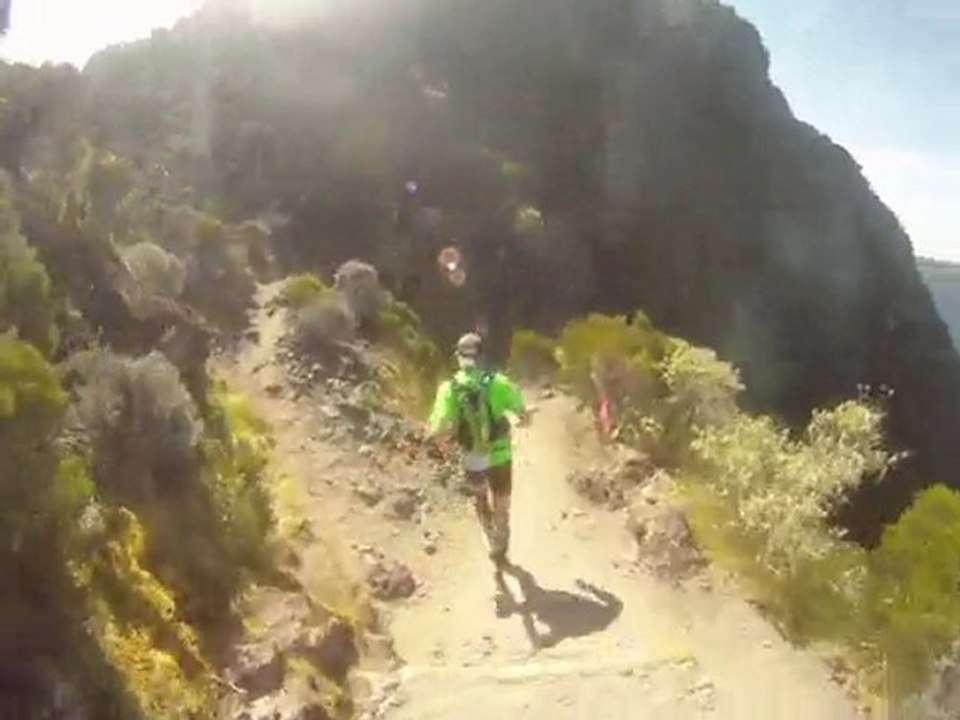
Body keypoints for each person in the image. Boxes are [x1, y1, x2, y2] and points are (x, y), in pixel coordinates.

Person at [427, 332, 530, 568]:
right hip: (501, 454)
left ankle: (489, 535)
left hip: (473, 455)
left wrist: (442, 442)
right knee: (502, 501)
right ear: (482, 356)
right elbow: (523, 415)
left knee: (480, 499)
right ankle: (501, 543)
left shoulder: (450, 388)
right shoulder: (499, 383)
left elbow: (438, 424)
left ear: (459, 357)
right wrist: (521, 420)